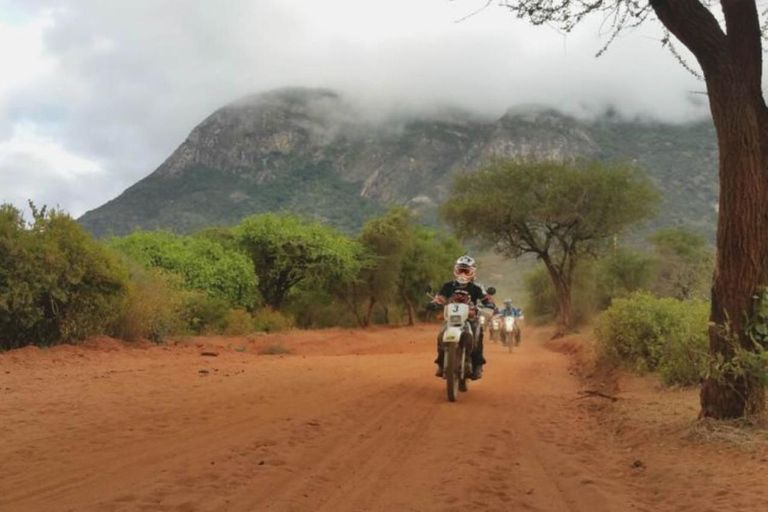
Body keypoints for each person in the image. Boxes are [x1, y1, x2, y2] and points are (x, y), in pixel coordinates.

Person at [427, 255, 496, 380]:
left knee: (477, 335)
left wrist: (490, 306)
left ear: (472, 272)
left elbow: (486, 299)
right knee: (441, 334)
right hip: (452, 317)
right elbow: (441, 297)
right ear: (456, 270)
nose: (463, 274)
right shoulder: (448, 285)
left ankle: (477, 365)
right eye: (460, 270)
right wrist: (435, 303)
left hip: (470, 317)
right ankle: (441, 364)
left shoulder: (476, 287)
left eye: (466, 271)